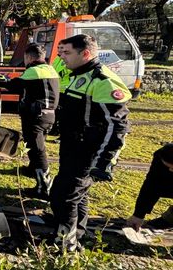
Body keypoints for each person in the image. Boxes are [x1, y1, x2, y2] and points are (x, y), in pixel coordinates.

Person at [49, 34, 130, 252]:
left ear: (85, 53)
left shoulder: (103, 80)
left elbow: (117, 126)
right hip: (71, 146)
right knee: (77, 195)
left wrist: (104, 161)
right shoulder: (76, 74)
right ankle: (77, 232)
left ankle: (66, 245)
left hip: (88, 150)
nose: (61, 58)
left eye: (66, 53)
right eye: (60, 53)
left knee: (64, 195)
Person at [0, 44, 59, 199]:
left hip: (36, 116)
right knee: (36, 145)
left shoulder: (33, 71)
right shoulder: (49, 69)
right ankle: (32, 169)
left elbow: (15, 86)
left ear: (29, 57)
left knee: (38, 151)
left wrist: (0, 81)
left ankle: (44, 186)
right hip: (48, 115)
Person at [126, 143, 173, 231]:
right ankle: (169, 219)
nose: (170, 170)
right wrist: (138, 215)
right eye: (168, 167)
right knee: (158, 185)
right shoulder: (161, 156)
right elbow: (151, 185)